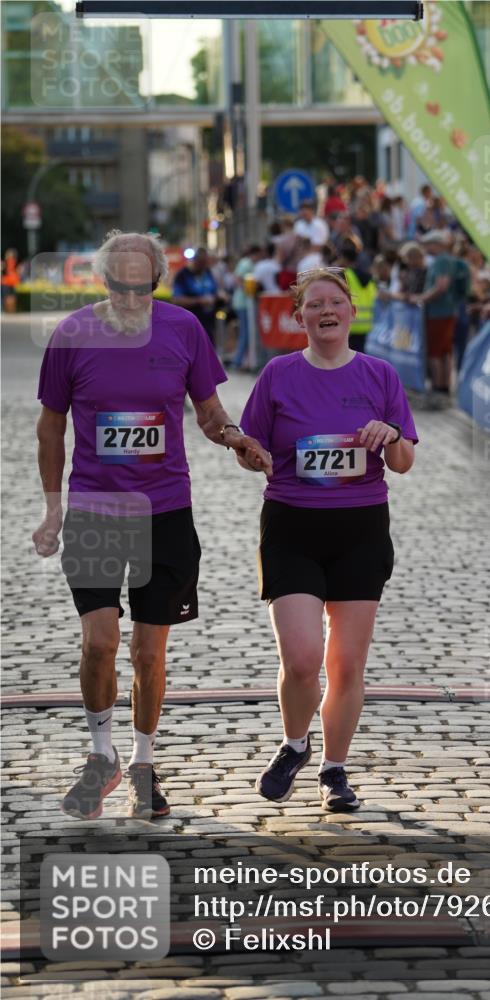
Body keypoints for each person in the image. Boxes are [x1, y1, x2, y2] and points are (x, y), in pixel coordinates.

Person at [33, 229, 271, 821]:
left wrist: (235, 438)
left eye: (144, 287)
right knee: (99, 642)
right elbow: (49, 427)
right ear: (104, 280)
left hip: (165, 510)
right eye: (120, 285)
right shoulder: (72, 335)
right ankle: (100, 755)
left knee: (146, 653)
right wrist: (51, 507)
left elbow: (209, 412)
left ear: (157, 282)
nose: (132, 297)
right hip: (95, 509)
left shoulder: (184, 330)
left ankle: (142, 763)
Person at [239, 269, 417, 812]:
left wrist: (390, 437)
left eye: (335, 301)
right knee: (301, 658)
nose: (325, 310)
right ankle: (295, 743)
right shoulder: (277, 374)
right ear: (300, 318)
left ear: (351, 310)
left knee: (345, 665)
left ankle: (335, 770)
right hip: (292, 524)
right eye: (314, 304)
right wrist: (253, 454)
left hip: (360, 528)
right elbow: (251, 448)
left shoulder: (380, 375)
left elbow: (404, 461)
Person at [411, 230, 470, 394]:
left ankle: (438, 387)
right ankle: (444, 386)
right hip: (448, 311)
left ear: (436, 245)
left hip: (438, 312)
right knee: (445, 351)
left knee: (435, 352)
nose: (425, 248)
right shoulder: (450, 260)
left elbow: (441, 286)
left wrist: (422, 298)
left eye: (428, 244)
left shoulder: (441, 261)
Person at [171, 247, 220, 346]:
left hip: (208, 323)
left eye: (206, 263)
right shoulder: (183, 275)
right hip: (190, 323)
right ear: (195, 261)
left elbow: (214, 290)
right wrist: (199, 301)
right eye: (201, 263)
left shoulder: (207, 272)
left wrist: (219, 296)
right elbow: (176, 300)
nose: (204, 266)